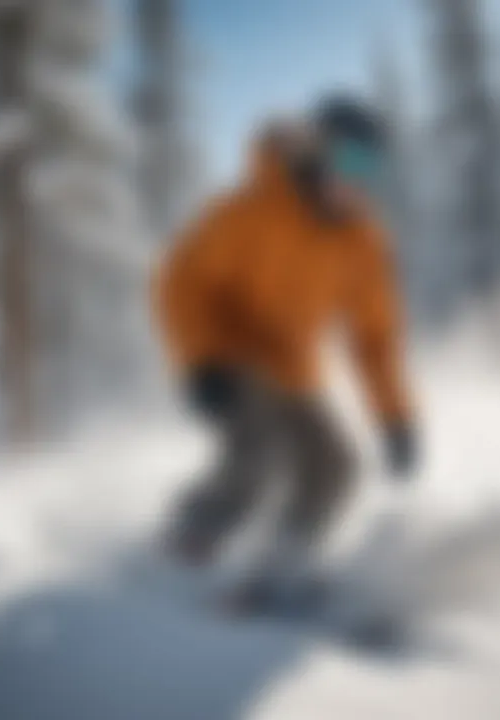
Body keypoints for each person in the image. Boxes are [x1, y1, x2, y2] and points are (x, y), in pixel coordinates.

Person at [153, 95, 417, 606]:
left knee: (337, 464)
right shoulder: (252, 211)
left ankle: (284, 558)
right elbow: (179, 281)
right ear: (319, 153)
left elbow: (375, 339)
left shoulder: (362, 241)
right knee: (258, 448)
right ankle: (191, 534)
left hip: (291, 369)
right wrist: (200, 360)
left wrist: (395, 417)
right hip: (227, 354)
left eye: (371, 168)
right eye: (349, 162)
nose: (356, 182)